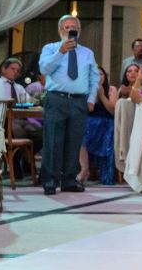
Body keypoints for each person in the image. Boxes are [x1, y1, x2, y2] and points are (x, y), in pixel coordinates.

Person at [37, 16, 99, 195]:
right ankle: (50, 181)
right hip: (56, 99)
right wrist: (61, 52)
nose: (70, 30)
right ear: (60, 30)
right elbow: (44, 69)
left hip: (79, 100)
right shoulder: (50, 48)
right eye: (66, 27)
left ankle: (70, 180)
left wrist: (91, 99)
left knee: (74, 142)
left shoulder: (87, 52)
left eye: (73, 27)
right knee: (53, 142)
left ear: (78, 31)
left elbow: (94, 77)